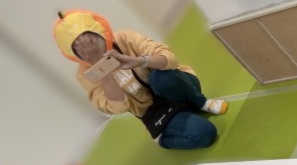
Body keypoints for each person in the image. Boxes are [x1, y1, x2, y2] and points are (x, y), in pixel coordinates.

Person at [53, 9, 227, 149]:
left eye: (91, 39)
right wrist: (100, 66)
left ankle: (200, 102)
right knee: (205, 134)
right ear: (74, 54)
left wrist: (139, 61)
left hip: (177, 87)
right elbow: (118, 107)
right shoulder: (85, 74)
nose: (91, 47)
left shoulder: (124, 38)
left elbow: (170, 59)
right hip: (154, 112)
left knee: (162, 76)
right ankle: (164, 137)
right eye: (81, 48)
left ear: (100, 31)